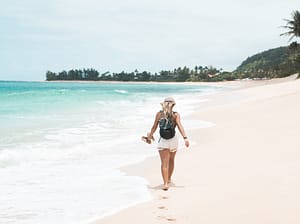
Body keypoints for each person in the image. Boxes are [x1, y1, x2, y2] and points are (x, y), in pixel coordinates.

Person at [144, 97, 189, 191]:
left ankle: (165, 184)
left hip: (163, 141)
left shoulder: (159, 114)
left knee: (164, 163)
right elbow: (180, 126)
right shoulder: (175, 115)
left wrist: (149, 137)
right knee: (171, 160)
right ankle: (168, 179)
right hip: (173, 140)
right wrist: (185, 138)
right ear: (173, 105)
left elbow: (154, 127)